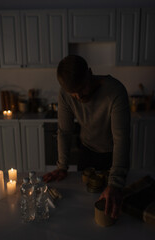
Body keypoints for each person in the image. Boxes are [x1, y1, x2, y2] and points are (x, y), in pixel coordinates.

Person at [43, 55, 130, 219]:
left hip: (113, 157)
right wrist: (62, 166)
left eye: (82, 88)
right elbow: (64, 131)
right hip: (87, 153)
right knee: (85, 207)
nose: (79, 97)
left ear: (90, 73)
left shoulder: (116, 91)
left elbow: (121, 139)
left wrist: (115, 183)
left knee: (114, 211)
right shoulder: (65, 95)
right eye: (73, 93)